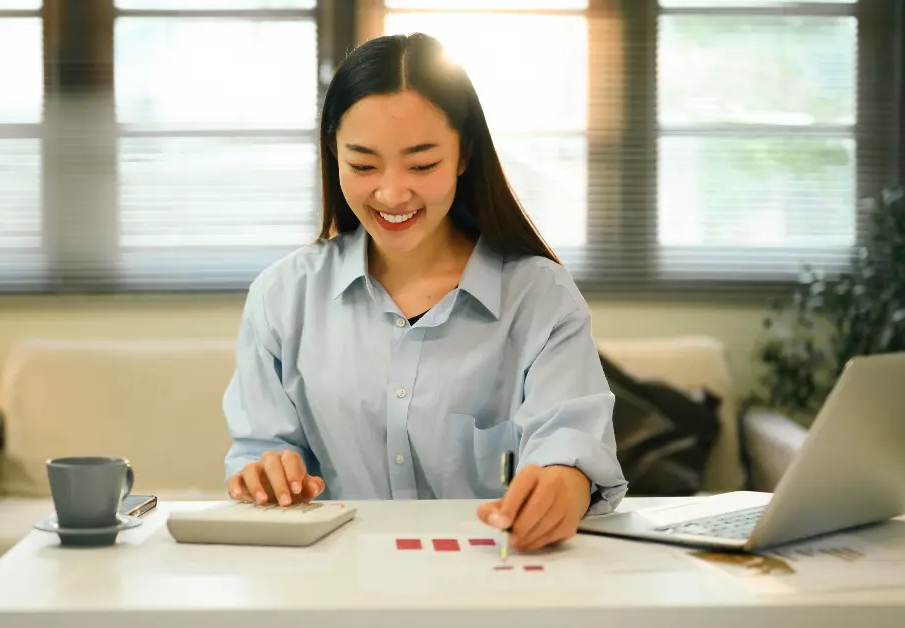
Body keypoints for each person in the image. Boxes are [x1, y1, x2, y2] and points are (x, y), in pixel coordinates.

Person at [222, 32, 627, 552]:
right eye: (364, 165)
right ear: (333, 153)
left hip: (496, 580)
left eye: (422, 164)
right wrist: (266, 475)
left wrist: (562, 485)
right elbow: (259, 451)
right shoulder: (281, 298)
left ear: (464, 155)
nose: (392, 194)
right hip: (332, 587)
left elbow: (568, 444)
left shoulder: (541, 297)